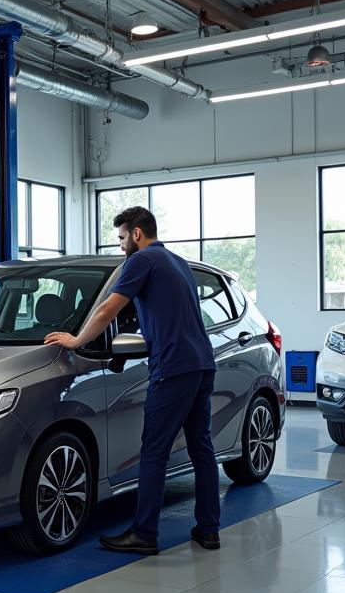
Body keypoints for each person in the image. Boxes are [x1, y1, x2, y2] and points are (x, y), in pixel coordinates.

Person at [44, 206, 219, 555]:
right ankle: (209, 530)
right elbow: (171, 314)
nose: (121, 245)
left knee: (153, 451)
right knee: (202, 449)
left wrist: (77, 340)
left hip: (172, 368)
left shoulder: (140, 261)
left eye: (122, 238)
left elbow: (108, 308)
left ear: (136, 234)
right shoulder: (177, 262)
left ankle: (144, 533)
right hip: (202, 364)